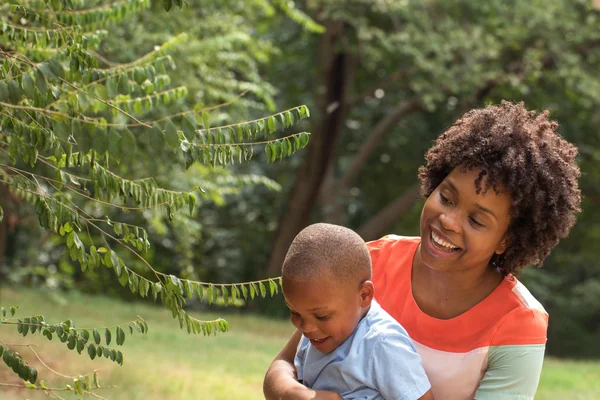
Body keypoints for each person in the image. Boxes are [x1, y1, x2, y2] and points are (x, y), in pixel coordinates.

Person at [264, 101, 582, 400]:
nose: (448, 221)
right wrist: (295, 393)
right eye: (446, 198)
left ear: (507, 239)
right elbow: (286, 363)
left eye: (476, 220)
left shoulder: (519, 321)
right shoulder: (370, 262)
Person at [282, 223, 433, 400]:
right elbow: (283, 368)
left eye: (322, 316)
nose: (305, 327)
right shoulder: (316, 334)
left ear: (364, 295)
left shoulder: (382, 343)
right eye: (295, 313)